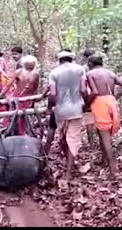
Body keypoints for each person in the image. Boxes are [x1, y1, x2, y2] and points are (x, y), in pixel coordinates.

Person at [86, 55, 122, 178]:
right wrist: (114, 97)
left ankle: (112, 170)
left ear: (90, 63)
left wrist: (86, 104)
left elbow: (94, 92)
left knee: (105, 136)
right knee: (103, 133)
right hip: (111, 101)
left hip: (99, 102)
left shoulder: (90, 74)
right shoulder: (110, 73)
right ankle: (105, 160)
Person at [46, 50, 87, 180]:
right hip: (76, 109)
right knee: (73, 140)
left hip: (61, 110)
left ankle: (69, 165)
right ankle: (69, 171)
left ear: (59, 60)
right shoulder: (80, 70)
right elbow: (83, 89)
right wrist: (86, 104)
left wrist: (49, 107)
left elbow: (52, 95)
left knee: (63, 139)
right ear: (71, 59)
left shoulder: (54, 73)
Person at [0, 55, 40, 135]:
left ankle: (18, 132)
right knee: (18, 118)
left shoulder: (33, 74)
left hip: (26, 99)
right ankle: (17, 132)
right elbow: (8, 85)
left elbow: (35, 89)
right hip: (20, 99)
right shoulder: (27, 73)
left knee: (19, 118)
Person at [81, 49, 97, 146]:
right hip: (98, 94)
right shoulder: (99, 68)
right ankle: (100, 140)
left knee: (89, 119)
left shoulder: (83, 69)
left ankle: (91, 142)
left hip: (88, 94)